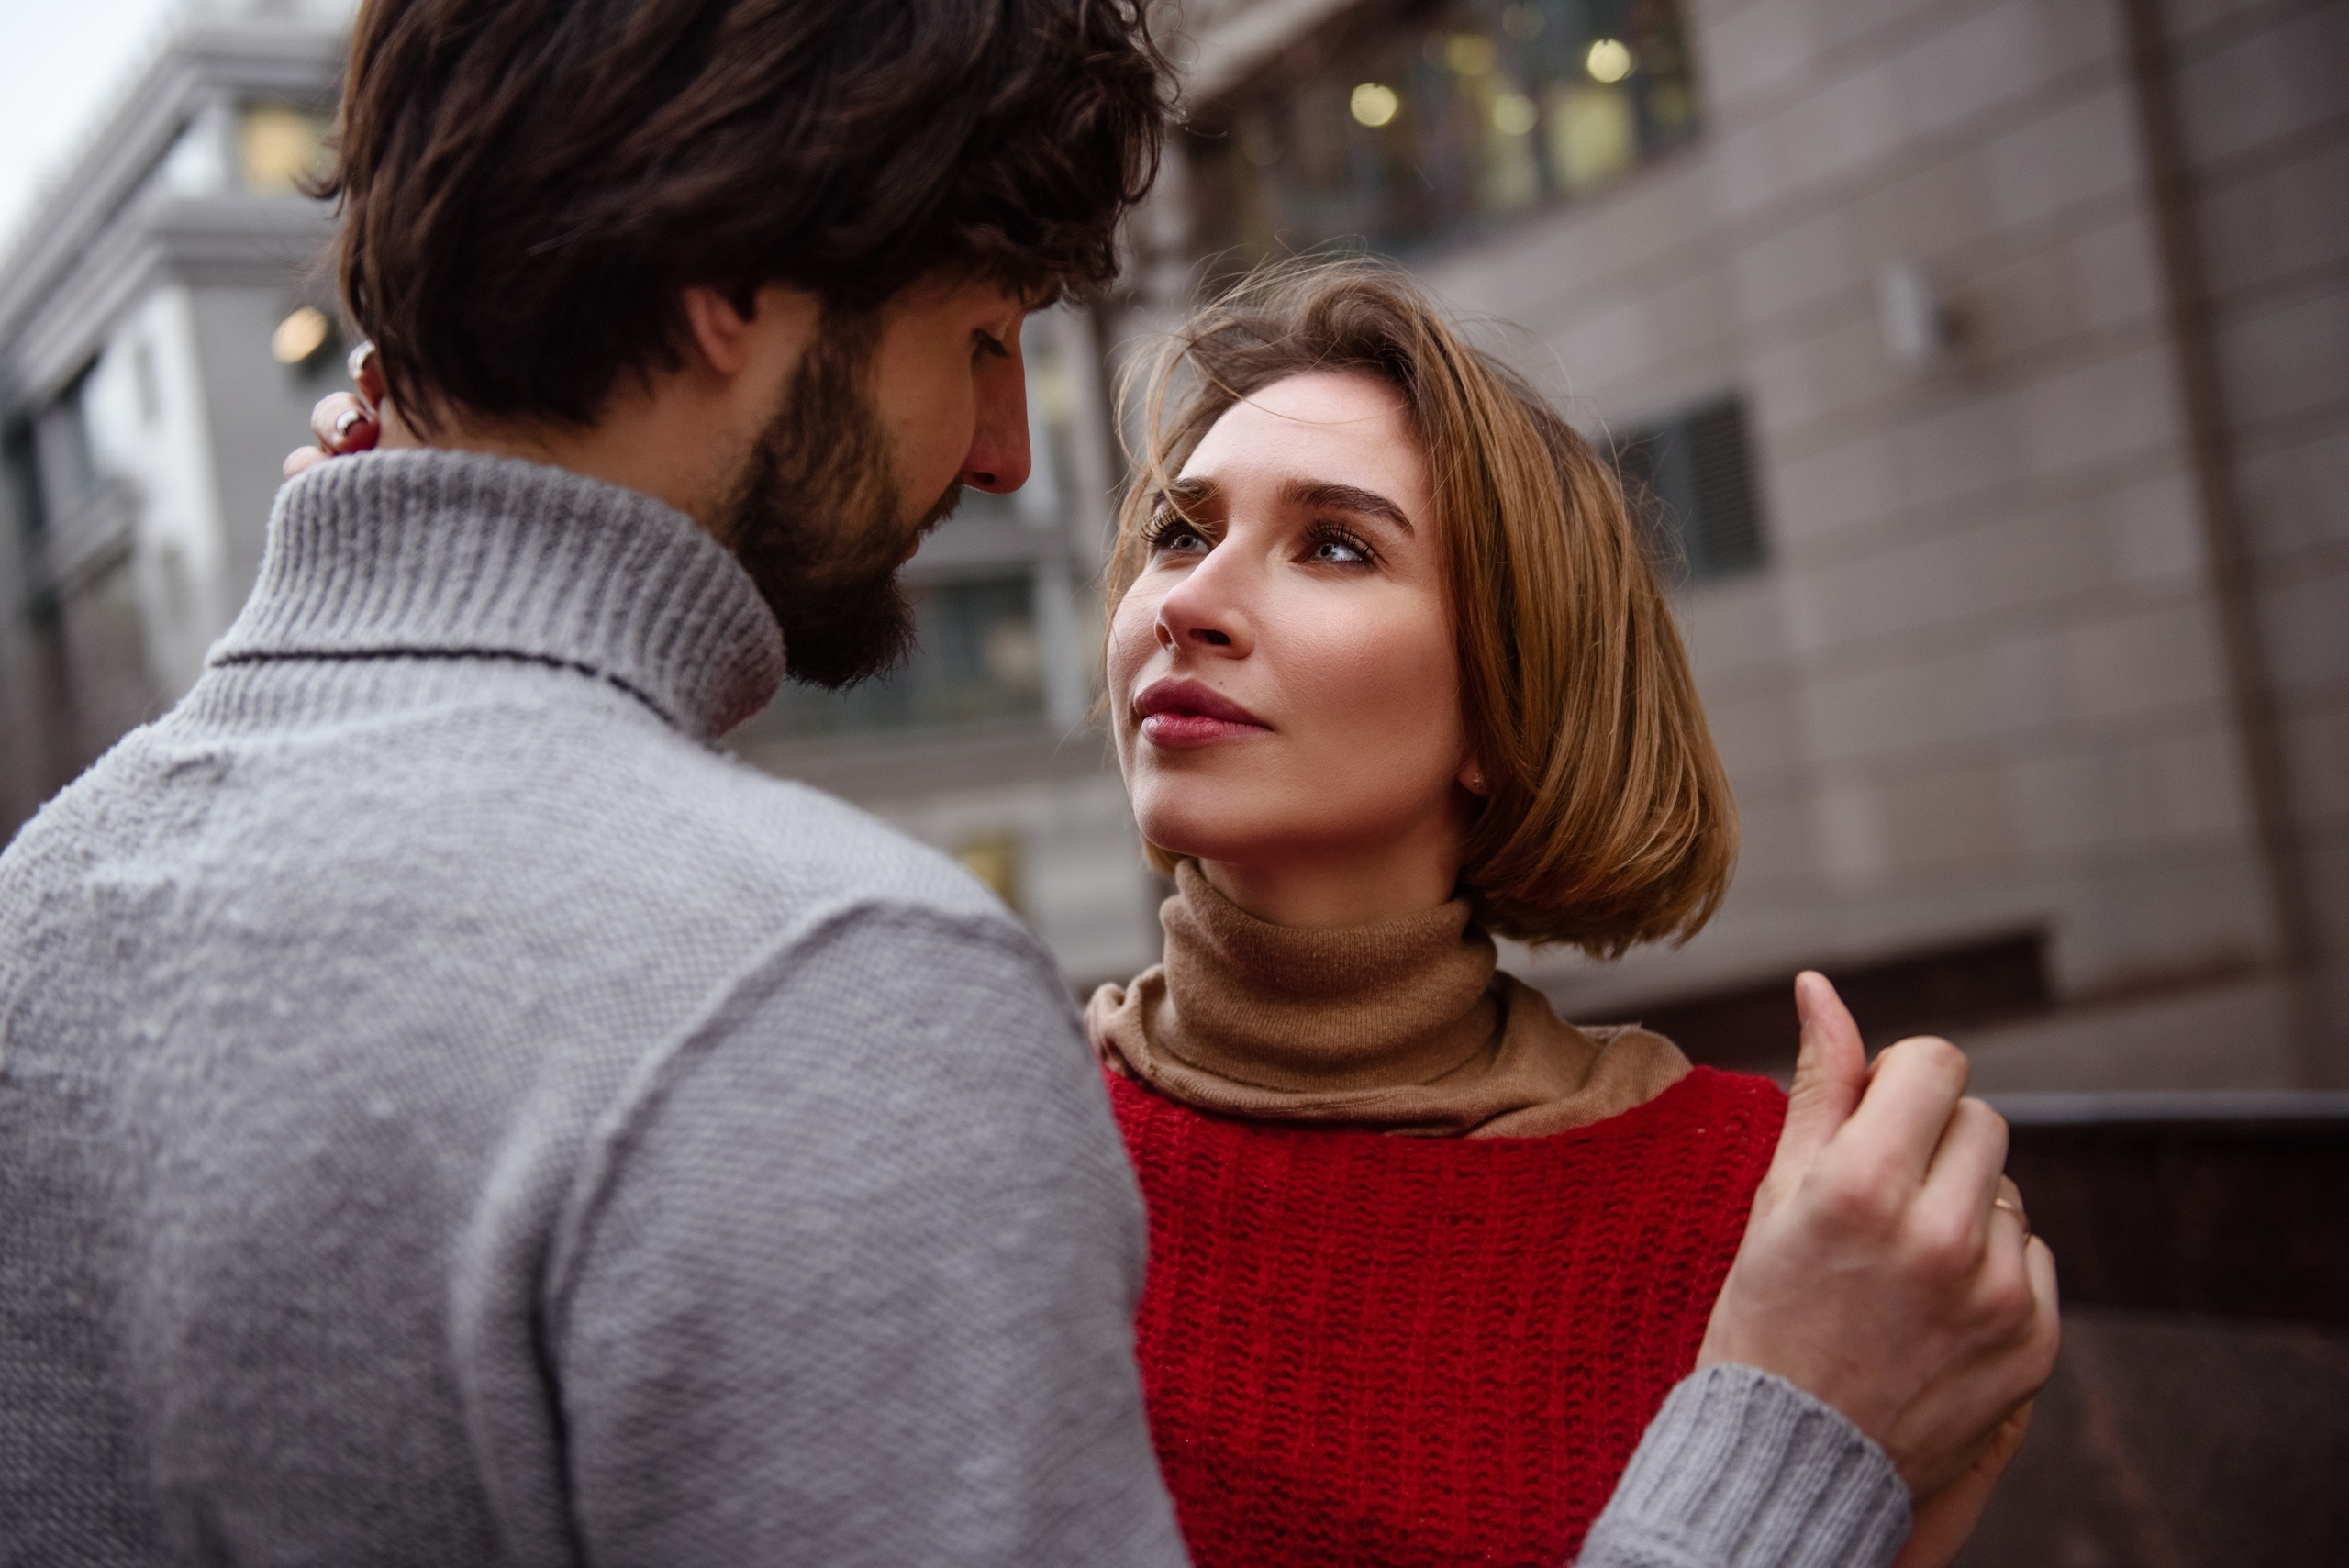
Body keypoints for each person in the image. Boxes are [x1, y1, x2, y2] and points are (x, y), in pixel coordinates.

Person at [0, 1, 2045, 1564]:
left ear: (1515, 683)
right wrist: (1788, 1463)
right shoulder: (839, 1022)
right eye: (980, 337)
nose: (1004, 454)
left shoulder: (47, 900)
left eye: (1330, 544)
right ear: (725, 287)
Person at [1080, 261, 2056, 1567]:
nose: (1186, 602)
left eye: (1334, 545)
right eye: (1180, 532)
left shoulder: (1777, 1214)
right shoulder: (984, 1139)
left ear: (1504, 701)